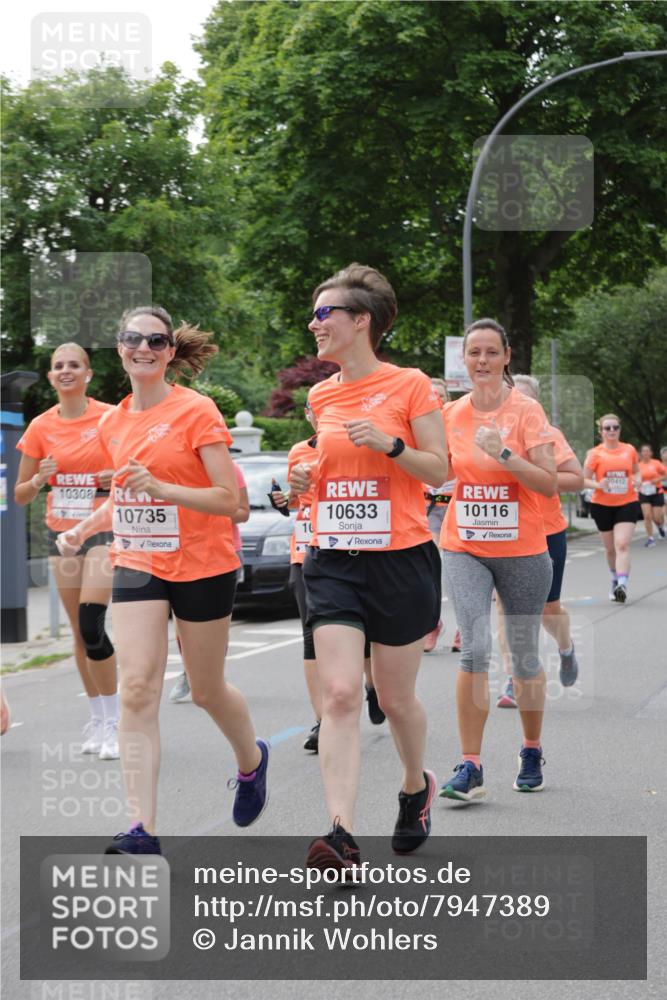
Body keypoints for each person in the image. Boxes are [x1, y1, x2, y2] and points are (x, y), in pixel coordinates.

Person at [56, 306, 268, 855]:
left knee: (205, 690)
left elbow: (235, 503)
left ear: (170, 352)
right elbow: (128, 498)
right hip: (139, 560)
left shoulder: (198, 412)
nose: (143, 347)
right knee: (139, 687)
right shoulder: (113, 420)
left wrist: (164, 490)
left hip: (203, 564)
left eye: (156, 340)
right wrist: (83, 529)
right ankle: (141, 828)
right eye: (133, 338)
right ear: (120, 347)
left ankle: (252, 761)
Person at [290, 263, 447, 871]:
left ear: (361, 322)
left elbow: (440, 469)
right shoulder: (321, 394)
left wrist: (392, 446)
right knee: (339, 693)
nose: (314, 323)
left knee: (399, 697)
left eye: (324, 313)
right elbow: (320, 477)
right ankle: (342, 832)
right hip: (333, 558)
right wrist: (303, 480)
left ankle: (414, 786)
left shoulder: (410, 386)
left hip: (401, 558)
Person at [439, 319, 556, 801]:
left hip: (523, 547)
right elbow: (437, 469)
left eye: (491, 352)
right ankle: (470, 765)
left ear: (507, 356)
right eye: (474, 353)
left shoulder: (527, 411)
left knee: (524, 655)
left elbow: (548, 483)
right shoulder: (450, 414)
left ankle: (531, 748)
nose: (482, 361)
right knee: (475, 648)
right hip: (464, 541)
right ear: (463, 360)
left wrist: (504, 452)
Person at [15, 343, 119, 759]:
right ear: (52, 376)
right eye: (58, 366)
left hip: (102, 529)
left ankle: (114, 722)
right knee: (79, 630)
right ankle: (96, 715)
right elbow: (20, 495)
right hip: (62, 534)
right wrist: (39, 479)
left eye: (74, 365)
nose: (66, 371)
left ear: (88, 374)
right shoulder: (41, 426)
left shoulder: (111, 417)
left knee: (92, 622)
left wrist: (116, 476)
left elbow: (135, 466)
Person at [280, 400, 385, 754]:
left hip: (350, 549)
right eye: (311, 410)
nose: (317, 415)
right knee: (311, 636)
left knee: (363, 631)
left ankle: (373, 686)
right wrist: (287, 497)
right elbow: (294, 501)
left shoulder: (357, 446)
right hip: (307, 549)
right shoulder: (298, 451)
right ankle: (323, 720)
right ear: (308, 415)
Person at [496, 375, 584, 708]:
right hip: (506, 533)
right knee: (506, 608)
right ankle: (512, 678)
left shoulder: (549, 436)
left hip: (546, 532)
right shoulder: (491, 437)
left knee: (548, 609)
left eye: (521, 400)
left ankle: (565, 647)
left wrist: (534, 473)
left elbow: (576, 478)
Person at [169, 459, 250, 702]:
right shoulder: (175, 467)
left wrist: (208, 508)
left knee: (218, 624)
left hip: (223, 550)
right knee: (180, 621)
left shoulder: (231, 469)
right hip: (182, 551)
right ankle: (189, 671)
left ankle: (213, 676)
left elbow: (243, 512)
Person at [583, 416, 641, 603]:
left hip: (627, 502)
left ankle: (622, 584)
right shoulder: (594, 454)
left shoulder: (629, 450)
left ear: (619, 429)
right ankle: (615, 579)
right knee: (610, 550)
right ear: (601, 431)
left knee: (622, 544)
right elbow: (583, 480)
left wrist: (638, 479)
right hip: (602, 505)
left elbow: (636, 470)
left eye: (615, 427)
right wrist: (599, 484)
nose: (611, 430)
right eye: (607, 428)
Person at [637, 444, 666, 546]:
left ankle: (660, 527)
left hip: (656, 491)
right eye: (643, 451)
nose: (645, 453)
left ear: (651, 453)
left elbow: (665, 474)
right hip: (644, 492)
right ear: (640, 454)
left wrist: (657, 479)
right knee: (647, 516)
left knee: (657, 517)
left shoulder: (656, 463)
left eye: (647, 451)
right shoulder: (638, 466)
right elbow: (633, 477)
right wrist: (637, 482)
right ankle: (650, 539)